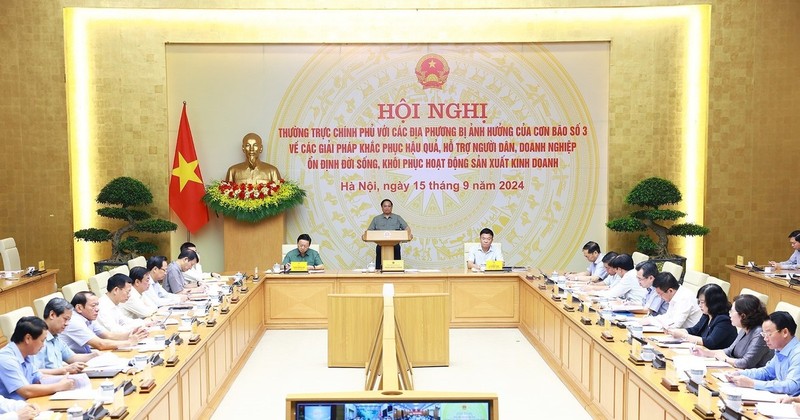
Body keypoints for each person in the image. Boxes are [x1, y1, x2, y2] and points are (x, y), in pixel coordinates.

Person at [726, 311, 800, 395]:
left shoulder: (797, 354)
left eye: (768, 334)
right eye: (763, 334)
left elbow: (791, 386)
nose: (765, 339)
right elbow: (767, 372)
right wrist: (740, 373)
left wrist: (752, 383)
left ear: (785, 332)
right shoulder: (780, 350)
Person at [0, 316, 74, 400]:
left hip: (29, 403)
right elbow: (26, 391)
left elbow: (38, 378)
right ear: (28, 338)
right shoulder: (6, 359)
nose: (43, 345)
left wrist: (66, 379)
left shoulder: (27, 354)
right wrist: (59, 386)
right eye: (42, 340)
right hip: (13, 410)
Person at [693, 294, 772, 368]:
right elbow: (729, 350)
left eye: (732, 311)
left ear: (743, 315)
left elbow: (747, 363)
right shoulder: (744, 329)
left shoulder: (759, 333)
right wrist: (705, 353)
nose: (729, 313)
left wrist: (725, 359)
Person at [60, 291, 148, 354]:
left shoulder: (88, 317)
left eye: (97, 305)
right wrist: (129, 342)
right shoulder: (74, 321)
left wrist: (131, 334)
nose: (97, 309)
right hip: (73, 361)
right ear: (79, 308)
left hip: (86, 355)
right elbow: (100, 344)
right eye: (93, 306)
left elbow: (108, 335)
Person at [34, 298, 98, 375]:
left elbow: (72, 358)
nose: (67, 323)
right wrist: (65, 369)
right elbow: (34, 372)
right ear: (52, 315)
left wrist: (95, 355)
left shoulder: (56, 337)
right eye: (65, 319)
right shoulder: (37, 339)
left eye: (69, 320)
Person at [667, 284, 737, 349]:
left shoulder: (724, 320)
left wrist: (683, 335)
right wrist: (675, 331)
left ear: (713, 302)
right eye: (699, 302)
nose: (700, 305)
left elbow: (710, 342)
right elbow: (694, 330)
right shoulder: (706, 315)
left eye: (702, 302)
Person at [362, 199, 412, 270]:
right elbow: (369, 232)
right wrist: (365, 236)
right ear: (381, 207)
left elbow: (407, 229)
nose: (387, 208)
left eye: (389, 206)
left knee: (396, 269)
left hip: (395, 246)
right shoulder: (376, 219)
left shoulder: (397, 218)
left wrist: (407, 236)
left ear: (392, 207)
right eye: (385, 206)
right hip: (380, 246)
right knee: (379, 269)